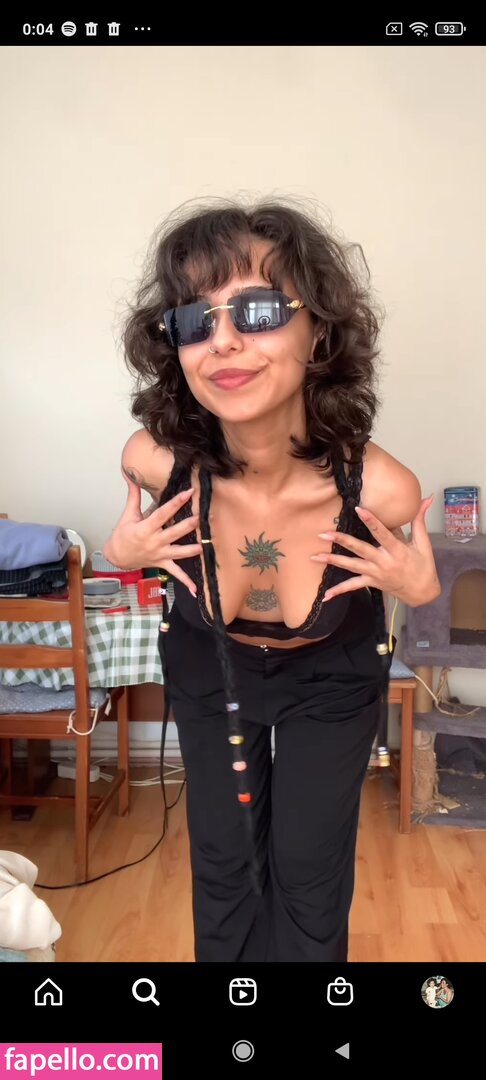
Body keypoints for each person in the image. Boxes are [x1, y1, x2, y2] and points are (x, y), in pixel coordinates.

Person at [104, 197, 440, 963]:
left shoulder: (381, 491)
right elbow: (128, 544)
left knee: (308, 869)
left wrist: (419, 593)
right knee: (225, 865)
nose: (222, 340)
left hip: (331, 679)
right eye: (194, 319)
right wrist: (123, 549)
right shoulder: (152, 462)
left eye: (257, 310)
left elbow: (414, 589)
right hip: (209, 670)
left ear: (317, 330)